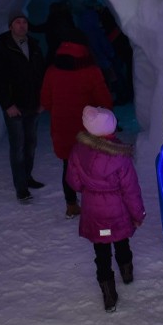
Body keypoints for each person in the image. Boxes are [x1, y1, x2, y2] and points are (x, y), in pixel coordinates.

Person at [66, 106, 146, 312]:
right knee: (121, 241)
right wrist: (137, 214)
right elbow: (130, 189)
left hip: (94, 212)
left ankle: (108, 293)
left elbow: (73, 182)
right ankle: (127, 272)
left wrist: (88, 189)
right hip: (117, 212)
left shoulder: (78, 151)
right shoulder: (120, 156)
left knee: (101, 251)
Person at [40, 37, 113, 218]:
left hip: (61, 128)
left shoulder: (52, 71)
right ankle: (93, 204)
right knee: (93, 166)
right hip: (88, 130)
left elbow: (46, 102)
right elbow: (105, 102)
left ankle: (71, 204)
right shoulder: (91, 72)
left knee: (68, 165)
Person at [0, 10, 46, 203]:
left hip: (33, 105)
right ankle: (21, 187)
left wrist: (43, 100)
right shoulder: (2, 49)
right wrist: (7, 104)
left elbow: (42, 76)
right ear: (10, 26)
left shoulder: (35, 46)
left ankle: (27, 177)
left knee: (31, 144)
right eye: (18, 22)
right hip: (15, 107)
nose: (22, 25)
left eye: (24, 22)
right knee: (18, 146)